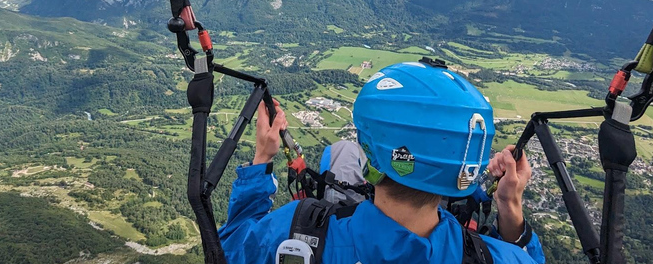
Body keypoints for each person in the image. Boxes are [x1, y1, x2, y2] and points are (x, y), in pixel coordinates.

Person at [219, 61, 546, 264]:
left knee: (338, 153)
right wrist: (509, 205)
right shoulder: (499, 257)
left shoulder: (294, 228)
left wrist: (264, 156)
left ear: (370, 164)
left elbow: (231, 247)